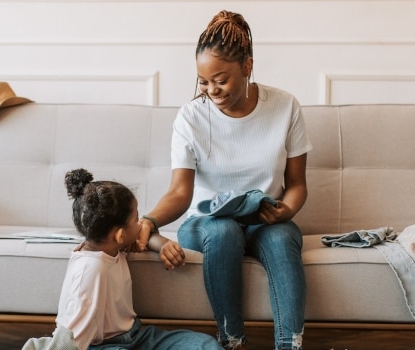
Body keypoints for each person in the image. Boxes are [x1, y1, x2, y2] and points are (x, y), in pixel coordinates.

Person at [135, 10, 313, 350]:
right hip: (206, 223)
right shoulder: (191, 116)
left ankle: (290, 345)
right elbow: (179, 191)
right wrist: (150, 220)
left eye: (221, 80)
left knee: (282, 239)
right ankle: (232, 343)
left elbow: (297, 185)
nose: (212, 91)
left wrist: (285, 211)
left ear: (247, 67)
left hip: (265, 218)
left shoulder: (285, 107)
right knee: (223, 230)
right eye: (204, 81)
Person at [56, 168, 222, 350]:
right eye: (136, 219)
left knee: (205, 345)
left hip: (136, 336)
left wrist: (163, 244)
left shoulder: (110, 245)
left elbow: (142, 236)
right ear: (119, 235)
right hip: (100, 346)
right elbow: (71, 338)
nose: (141, 224)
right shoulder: (90, 270)